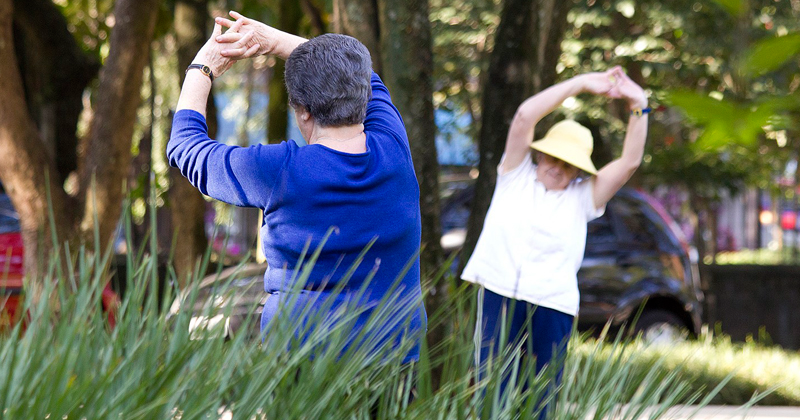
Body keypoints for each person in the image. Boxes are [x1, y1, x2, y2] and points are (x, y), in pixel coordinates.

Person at [167, 12, 426, 363]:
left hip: (304, 366)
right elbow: (370, 78)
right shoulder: (393, 147)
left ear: (302, 111)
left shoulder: (279, 171)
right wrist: (274, 40)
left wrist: (203, 68)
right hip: (396, 360)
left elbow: (185, 147)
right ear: (362, 97)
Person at [461, 67, 649, 395]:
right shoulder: (514, 175)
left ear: (578, 169)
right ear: (540, 153)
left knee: (542, 401)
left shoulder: (583, 196)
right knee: (492, 396)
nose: (557, 168)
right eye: (553, 158)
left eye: (568, 164)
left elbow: (629, 162)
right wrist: (579, 84)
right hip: (499, 295)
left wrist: (639, 102)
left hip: (553, 307)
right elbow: (523, 116)